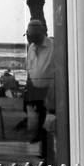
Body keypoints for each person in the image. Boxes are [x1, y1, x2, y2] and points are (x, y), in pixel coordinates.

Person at [25, 18, 55, 156]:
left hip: (50, 91)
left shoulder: (53, 46)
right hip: (35, 91)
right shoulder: (31, 47)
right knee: (40, 123)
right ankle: (44, 151)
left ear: (41, 33)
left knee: (47, 124)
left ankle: (47, 154)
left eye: (31, 35)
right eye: (28, 35)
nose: (29, 38)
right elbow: (30, 68)